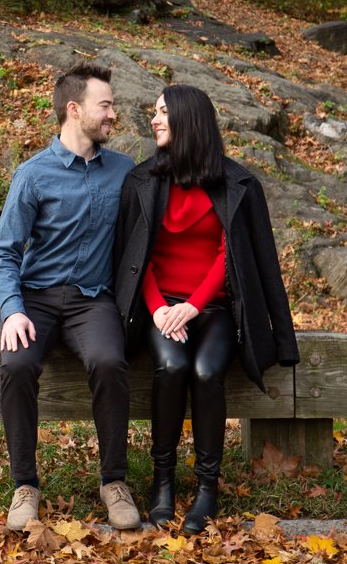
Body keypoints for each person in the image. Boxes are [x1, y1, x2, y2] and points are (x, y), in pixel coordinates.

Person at [113, 85, 299, 533]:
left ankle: (206, 487)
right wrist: (159, 309)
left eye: (162, 113)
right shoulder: (142, 182)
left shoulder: (236, 184)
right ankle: (163, 483)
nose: (154, 120)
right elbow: (138, 257)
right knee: (173, 365)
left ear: (187, 120)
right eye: (154, 113)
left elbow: (228, 256)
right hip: (160, 309)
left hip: (213, 308)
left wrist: (193, 307)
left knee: (205, 371)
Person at [0, 61, 141, 531]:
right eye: (106, 105)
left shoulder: (125, 171)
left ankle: (114, 481)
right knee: (16, 365)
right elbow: (3, 253)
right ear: (74, 110)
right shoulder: (33, 175)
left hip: (93, 300)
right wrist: (11, 311)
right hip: (35, 299)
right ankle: (25, 486)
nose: (113, 114)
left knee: (111, 362)